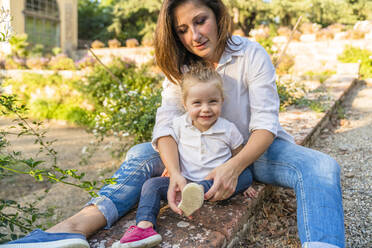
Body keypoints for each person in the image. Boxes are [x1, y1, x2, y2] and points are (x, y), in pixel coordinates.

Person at [2, 0, 345, 248]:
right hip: (196, 152)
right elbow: (164, 126)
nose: (194, 35)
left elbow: (266, 125)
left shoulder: (251, 54)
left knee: (320, 166)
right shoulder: (181, 70)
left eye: (200, 21)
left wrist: (233, 166)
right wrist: (175, 171)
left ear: (218, 15)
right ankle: (72, 228)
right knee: (140, 153)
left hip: (254, 150)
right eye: (182, 29)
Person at [111, 64, 257, 248]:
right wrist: (172, 170)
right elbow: (172, 150)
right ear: (185, 103)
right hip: (184, 183)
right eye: (197, 103)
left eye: (213, 101)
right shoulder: (179, 125)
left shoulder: (228, 130)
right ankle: (144, 226)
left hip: (217, 184)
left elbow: (239, 158)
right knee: (151, 185)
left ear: (222, 100)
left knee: (245, 176)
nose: (205, 109)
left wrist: (245, 183)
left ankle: (199, 190)